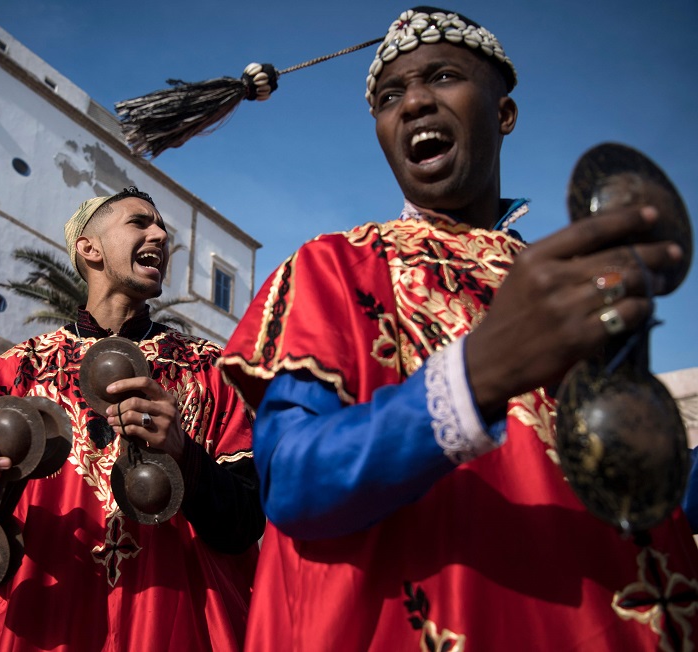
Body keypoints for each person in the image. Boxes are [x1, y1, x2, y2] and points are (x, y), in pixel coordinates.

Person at [219, 7, 698, 650]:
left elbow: (646, 503)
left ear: (503, 114)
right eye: (390, 96)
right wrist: (479, 375)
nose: (415, 102)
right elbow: (295, 482)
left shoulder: (566, 285)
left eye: (443, 77)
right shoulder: (334, 266)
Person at [0, 186, 264, 650]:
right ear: (88, 248)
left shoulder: (208, 369)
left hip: (177, 623)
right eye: (140, 222)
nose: (160, 234)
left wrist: (183, 454)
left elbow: (246, 523)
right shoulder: (18, 370)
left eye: (162, 227)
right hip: (46, 624)